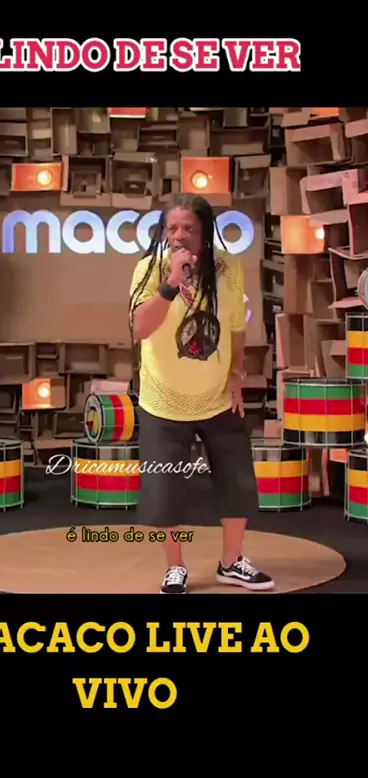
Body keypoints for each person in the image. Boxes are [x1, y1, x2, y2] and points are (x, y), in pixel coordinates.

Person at [129, 194, 275, 595]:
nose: (179, 236)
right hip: (163, 399)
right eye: (172, 228)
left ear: (205, 233)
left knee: (237, 482)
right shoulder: (149, 269)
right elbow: (140, 328)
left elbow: (236, 327)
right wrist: (170, 285)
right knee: (164, 493)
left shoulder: (229, 268)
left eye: (188, 228)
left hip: (218, 397)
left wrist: (237, 374)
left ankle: (232, 562)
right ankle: (175, 567)